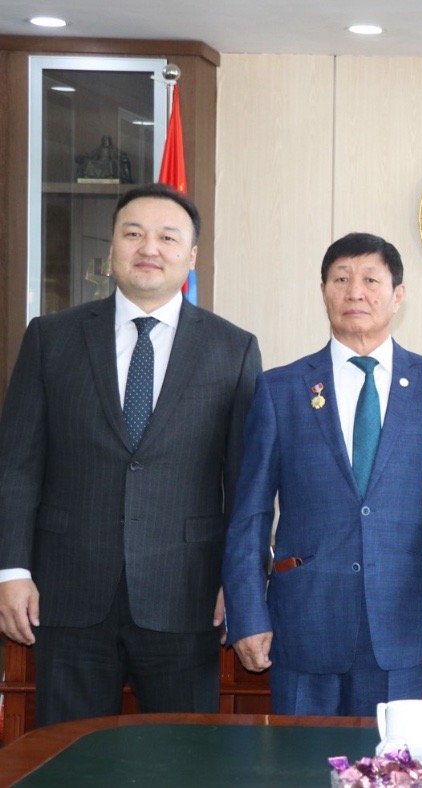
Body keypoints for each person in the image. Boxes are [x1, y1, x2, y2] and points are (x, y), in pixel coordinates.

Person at [0, 183, 261, 725]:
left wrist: (240, 581)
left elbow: (245, 482)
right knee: (69, 755)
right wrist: (11, 570)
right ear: (112, 247)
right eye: (133, 233)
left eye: (168, 237)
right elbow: (17, 466)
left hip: (186, 594)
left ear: (191, 256)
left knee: (183, 757)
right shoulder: (51, 338)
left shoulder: (232, 348)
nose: (149, 248)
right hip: (66, 591)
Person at [222, 232, 422, 716]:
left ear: (398, 295)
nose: (355, 292)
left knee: (392, 758)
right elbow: (250, 511)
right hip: (303, 622)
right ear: (323, 292)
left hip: (402, 622)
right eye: (341, 280)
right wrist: (247, 611)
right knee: (300, 758)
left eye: (371, 280)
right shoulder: (280, 389)